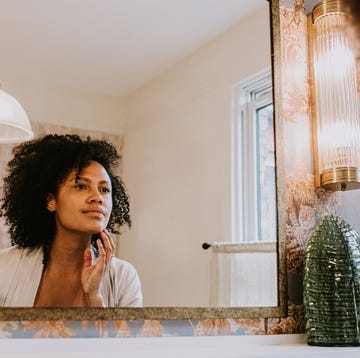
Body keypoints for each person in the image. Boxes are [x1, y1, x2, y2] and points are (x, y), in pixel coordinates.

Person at [0, 134, 142, 308]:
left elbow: (125, 336)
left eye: (104, 189)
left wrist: (94, 296)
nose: (97, 197)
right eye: (81, 186)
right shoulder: (4, 267)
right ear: (51, 201)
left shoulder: (124, 277)